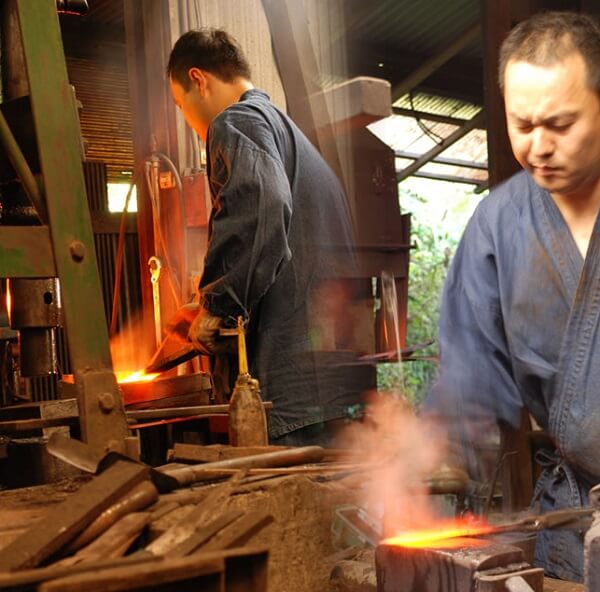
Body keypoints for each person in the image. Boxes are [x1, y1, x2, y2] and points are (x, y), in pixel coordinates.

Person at [426, 11, 600, 583]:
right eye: (522, 125)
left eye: (560, 124)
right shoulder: (497, 225)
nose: (538, 147)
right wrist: (440, 469)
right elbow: (470, 382)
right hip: (571, 524)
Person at [165, 28, 362, 446]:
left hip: (287, 392)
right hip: (332, 388)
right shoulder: (294, 138)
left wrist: (218, 304)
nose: (189, 122)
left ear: (199, 80)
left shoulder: (235, 121)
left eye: (181, 105)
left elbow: (263, 202)